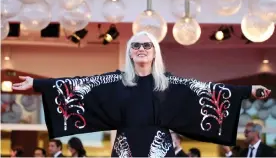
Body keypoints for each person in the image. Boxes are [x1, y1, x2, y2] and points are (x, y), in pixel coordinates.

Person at [12, 31, 271, 157]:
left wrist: (248, 90)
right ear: (130, 52)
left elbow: (206, 89)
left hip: (159, 148)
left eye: (147, 45)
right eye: (135, 45)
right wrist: (37, 84)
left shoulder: (168, 83)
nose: (141, 49)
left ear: (155, 51)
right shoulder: (116, 80)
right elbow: (80, 85)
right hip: (126, 148)